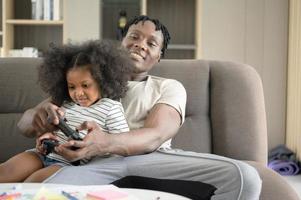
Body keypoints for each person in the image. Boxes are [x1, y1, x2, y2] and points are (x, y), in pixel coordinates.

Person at [17, 15, 262, 199]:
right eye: (134, 36)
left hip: (150, 159)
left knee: (245, 178)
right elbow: (25, 124)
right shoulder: (85, 82)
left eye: (151, 43)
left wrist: (102, 142)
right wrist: (39, 116)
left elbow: (155, 135)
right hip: (92, 164)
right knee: (37, 188)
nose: (140, 44)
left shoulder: (168, 86)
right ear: (120, 42)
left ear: (158, 56)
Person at [0, 40, 132, 182]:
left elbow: (120, 146)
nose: (78, 93)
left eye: (85, 85)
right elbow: (51, 129)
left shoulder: (111, 108)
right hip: (42, 153)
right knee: (5, 171)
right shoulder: (66, 103)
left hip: (67, 164)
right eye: (72, 87)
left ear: (102, 81)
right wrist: (45, 136)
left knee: (32, 184)